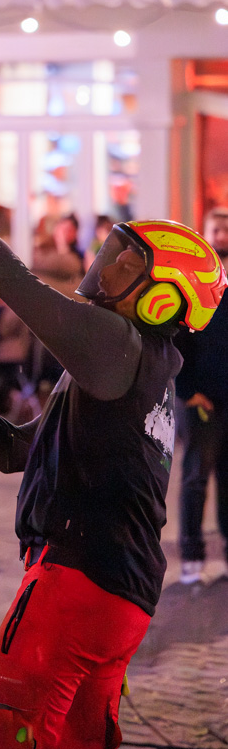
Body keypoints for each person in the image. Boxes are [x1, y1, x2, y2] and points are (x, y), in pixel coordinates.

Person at [0, 200, 226, 749]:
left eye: (127, 259)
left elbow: (22, 291)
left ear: (162, 299)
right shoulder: (123, 363)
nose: (108, 261)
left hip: (76, 583)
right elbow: (13, 451)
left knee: (6, 748)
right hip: (120, 596)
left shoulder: (118, 346)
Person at [174, 207, 228, 584]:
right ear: (205, 234)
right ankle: (192, 555)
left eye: (227, 229)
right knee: (195, 478)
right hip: (202, 401)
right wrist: (187, 391)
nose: (222, 234)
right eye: (216, 229)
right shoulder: (192, 284)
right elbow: (176, 341)